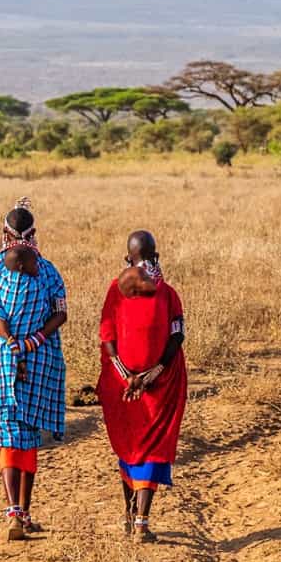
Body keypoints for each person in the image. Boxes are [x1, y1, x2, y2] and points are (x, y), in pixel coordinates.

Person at [0, 198, 68, 541]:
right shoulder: (50, 271)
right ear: (34, 234)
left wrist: (13, 343)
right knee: (28, 436)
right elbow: (61, 314)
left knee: (8, 432)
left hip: (0, 354)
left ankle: (15, 512)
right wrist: (33, 341)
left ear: (4, 234)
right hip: (39, 356)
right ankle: (23, 512)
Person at [96, 230, 187, 542]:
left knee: (130, 445)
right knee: (153, 446)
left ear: (128, 258)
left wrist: (127, 376)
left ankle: (128, 514)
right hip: (159, 384)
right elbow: (177, 336)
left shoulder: (114, 291)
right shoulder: (168, 294)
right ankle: (142, 524)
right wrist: (152, 374)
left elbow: (107, 336)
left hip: (121, 385)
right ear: (156, 256)